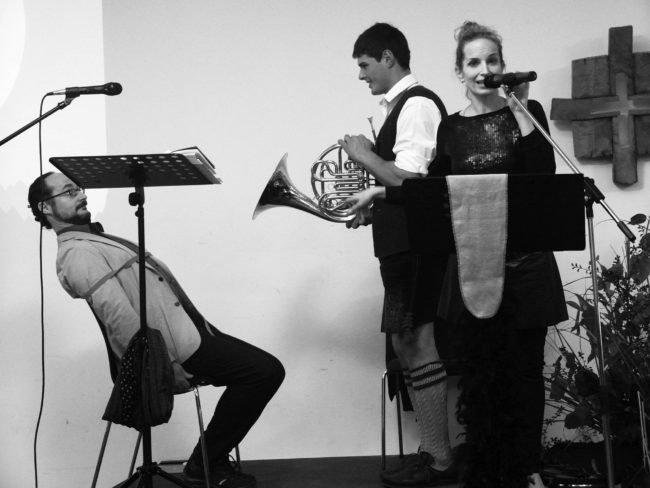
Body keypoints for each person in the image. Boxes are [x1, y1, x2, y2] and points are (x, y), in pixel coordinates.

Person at [347, 20, 567, 488]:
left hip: (526, 265)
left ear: (503, 67)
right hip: (476, 269)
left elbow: (541, 177)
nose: (484, 69)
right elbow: (433, 193)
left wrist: (522, 110)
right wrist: (381, 194)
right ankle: (489, 467)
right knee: (481, 372)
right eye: (473, 62)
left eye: (492, 60)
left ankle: (528, 468)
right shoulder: (451, 128)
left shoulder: (528, 114)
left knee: (527, 371)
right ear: (460, 72)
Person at [28, 172, 285, 488]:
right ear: (45, 207)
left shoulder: (91, 241)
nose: (81, 195)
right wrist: (161, 365)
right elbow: (119, 317)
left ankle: (208, 460)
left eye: (78, 189)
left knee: (263, 370)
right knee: (264, 372)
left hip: (192, 335)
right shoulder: (78, 252)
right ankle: (205, 463)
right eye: (69, 192)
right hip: (175, 350)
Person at [338, 23, 455, 487]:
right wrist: (375, 205)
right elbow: (401, 190)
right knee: (407, 343)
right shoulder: (398, 107)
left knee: (418, 341)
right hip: (401, 244)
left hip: (419, 247)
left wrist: (363, 155)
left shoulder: (418, 104)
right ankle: (433, 451)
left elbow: (413, 181)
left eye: (365, 65)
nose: (361, 75)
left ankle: (439, 459)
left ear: (388, 57)